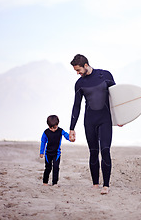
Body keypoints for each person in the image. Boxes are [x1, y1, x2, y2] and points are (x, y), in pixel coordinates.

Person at [69, 54, 116, 195]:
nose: (77, 73)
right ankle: (95, 183)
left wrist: (120, 118)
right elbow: (76, 106)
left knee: (105, 150)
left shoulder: (105, 75)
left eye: (78, 70)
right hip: (89, 121)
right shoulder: (79, 83)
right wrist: (72, 128)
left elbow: (117, 97)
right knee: (93, 152)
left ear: (85, 65)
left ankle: (106, 185)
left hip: (105, 119)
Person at [40, 115, 72, 186]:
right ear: (48, 126)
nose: (53, 129)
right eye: (51, 128)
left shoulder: (60, 131)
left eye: (55, 127)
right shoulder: (46, 132)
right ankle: (45, 182)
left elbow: (66, 135)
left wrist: (70, 139)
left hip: (56, 153)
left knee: (56, 167)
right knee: (48, 168)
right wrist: (41, 152)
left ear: (57, 124)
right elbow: (43, 142)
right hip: (48, 154)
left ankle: (55, 183)